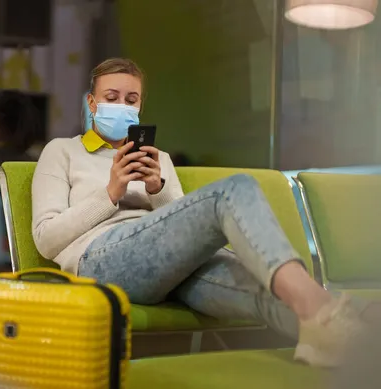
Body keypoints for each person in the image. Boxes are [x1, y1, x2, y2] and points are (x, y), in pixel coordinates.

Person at [31, 57, 370, 367]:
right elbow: (46, 239)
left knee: (264, 291)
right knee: (233, 189)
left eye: (131, 100)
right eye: (111, 97)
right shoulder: (62, 151)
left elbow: (185, 226)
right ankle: (318, 306)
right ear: (92, 103)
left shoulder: (157, 158)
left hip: (167, 271)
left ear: (140, 106)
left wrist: (156, 189)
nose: (121, 106)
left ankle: (357, 342)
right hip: (101, 261)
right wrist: (111, 193)